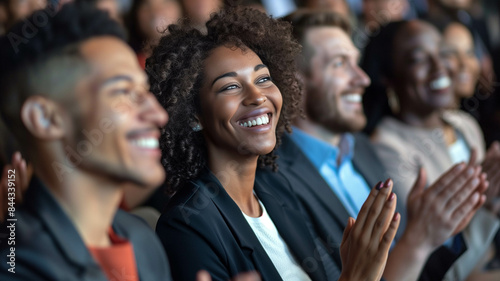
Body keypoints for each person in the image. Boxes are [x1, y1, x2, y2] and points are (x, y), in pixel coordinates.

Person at [149, 6, 400, 281]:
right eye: (230, 86)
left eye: (264, 79)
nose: (257, 96)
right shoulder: (186, 225)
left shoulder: (278, 193)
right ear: (193, 115)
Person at [270, 10, 488, 281]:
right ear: (294, 83)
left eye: (356, 62)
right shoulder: (275, 183)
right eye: (339, 63)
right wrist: (417, 240)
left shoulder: (361, 146)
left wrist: (448, 228)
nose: (362, 78)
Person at [0, 2, 172, 280]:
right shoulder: (14, 266)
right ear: (46, 118)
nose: (158, 114)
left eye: (145, 90)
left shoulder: (144, 241)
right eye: (123, 92)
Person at [362, 19, 500, 280]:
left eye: (441, 53)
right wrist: (485, 205)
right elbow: (432, 260)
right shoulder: (387, 147)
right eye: (418, 59)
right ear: (388, 75)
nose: (440, 67)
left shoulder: (465, 125)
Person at [126, 0, 182, 69]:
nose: (156, 11)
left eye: (165, 2)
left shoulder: (192, 56)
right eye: (147, 5)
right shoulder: (126, 59)